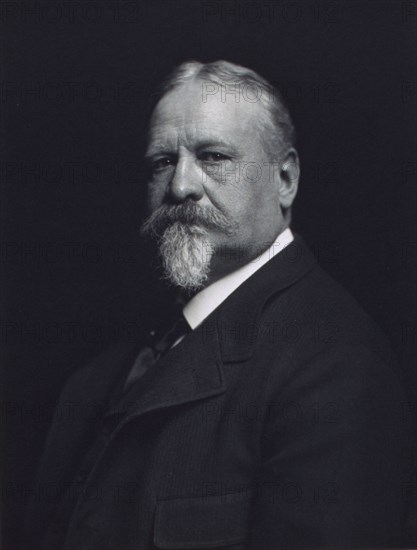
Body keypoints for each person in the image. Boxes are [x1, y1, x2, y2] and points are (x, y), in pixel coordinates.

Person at [24, 60, 410, 549]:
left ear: (285, 178)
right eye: (163, 162)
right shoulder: (107, 368)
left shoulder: (338, 369)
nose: (181, 185)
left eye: (213, 157)